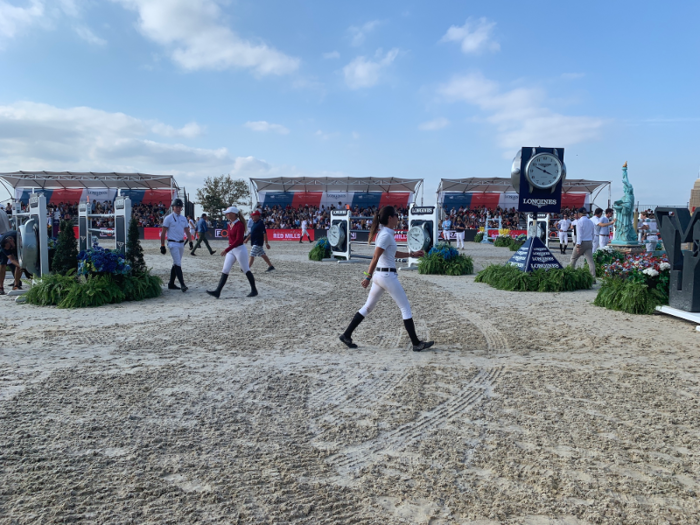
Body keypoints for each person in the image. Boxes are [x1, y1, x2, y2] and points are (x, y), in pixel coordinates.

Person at [339, 205, 434, 352]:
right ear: (390, 218)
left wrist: (411, 254)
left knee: (367, 307)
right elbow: (375, 257)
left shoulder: (386, 233)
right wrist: (367, 277)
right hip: (386, 276)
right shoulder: (385, 235)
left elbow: (392, 254)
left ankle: (346, 335)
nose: (398, 218)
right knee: (405, 307)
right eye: (396, 215)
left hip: (381, 276)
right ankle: (416, 343)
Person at [207, 206, 258, 298]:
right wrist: (229, 247)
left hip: (239, 250)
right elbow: (231, 238)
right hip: (232, 249)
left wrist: (227, 249)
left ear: (234, 214)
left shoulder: (239, 225)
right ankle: (218, 291)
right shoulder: (229, 224)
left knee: (246, 269)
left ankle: (254, 290)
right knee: (225, 270)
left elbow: (239, 240)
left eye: (228, 213)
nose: (226, 214)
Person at [160, 198, 192, 292]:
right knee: (178, 263)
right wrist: (162, 245)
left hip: (181, 243)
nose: (178, 208)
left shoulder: (183, 219)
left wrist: (190, 242)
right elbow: (163, 232)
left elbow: (187, 231)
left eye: (179, 207)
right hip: (172, 243)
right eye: (176, 207)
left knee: (175, 263)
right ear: (173, 207)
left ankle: (171, 283)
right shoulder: (168, 218)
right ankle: (182, 284)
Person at [570, 207, 596, 278]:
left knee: (573, 258)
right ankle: (593, 277)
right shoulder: (590, 222)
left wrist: (578, 245)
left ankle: (570, 273)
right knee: (590, 261)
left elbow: (579, 235)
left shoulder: (579, 222)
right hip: (589, 241)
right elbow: (593, 233)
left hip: (582, 242)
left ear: (579, 214)